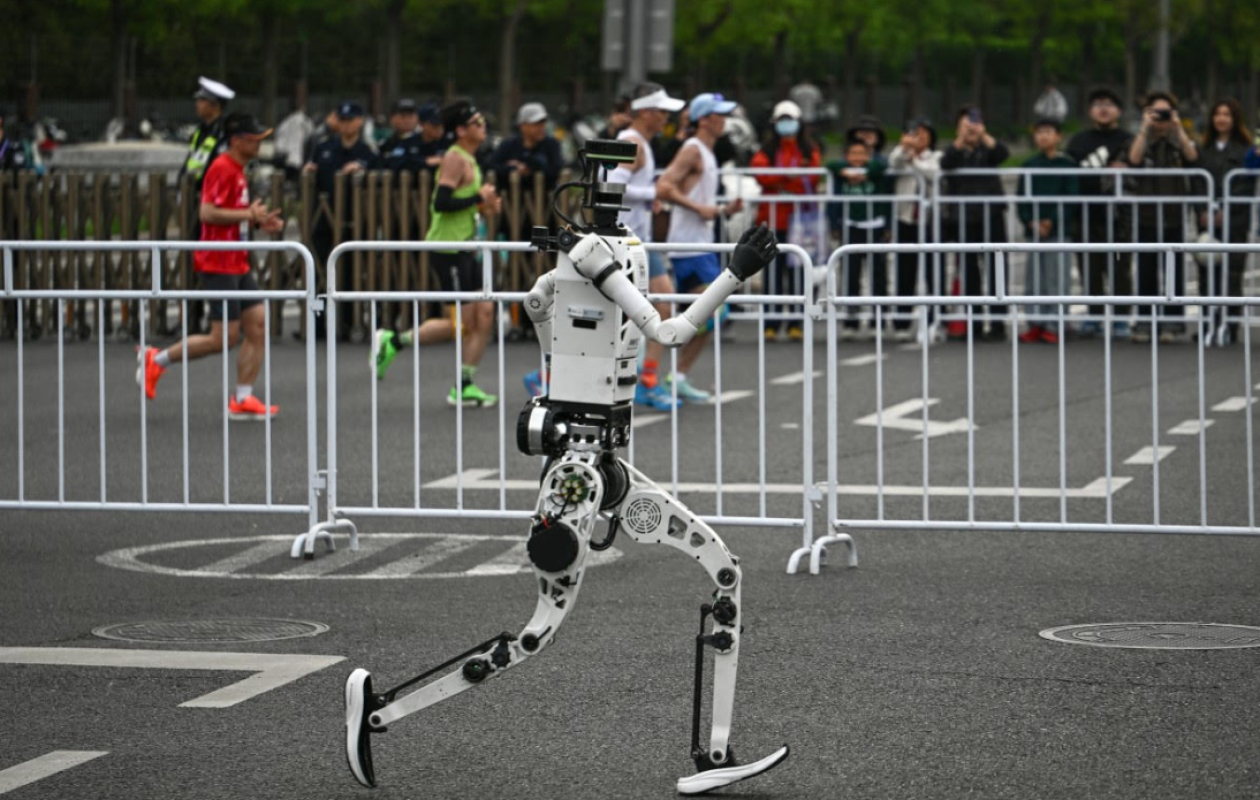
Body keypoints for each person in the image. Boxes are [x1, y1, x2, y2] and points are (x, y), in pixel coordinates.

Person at [135, 113, 285, 419]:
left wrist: (256, 221)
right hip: (218, 261)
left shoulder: (239, 170)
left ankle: (243, 398)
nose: (260, 143)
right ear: (237, 140)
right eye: (254, 138)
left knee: (256, 325)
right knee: (223, 338)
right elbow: (206, 213)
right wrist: (247, 216)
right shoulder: (222, 167)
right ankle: (157, 359)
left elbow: (231, 214)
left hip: (237, 260)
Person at [556, 82, 685, 410]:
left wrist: (650, 196)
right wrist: (654, 194)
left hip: (634, 239)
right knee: (658, 307)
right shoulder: (633, 143)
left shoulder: (639, 142)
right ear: (645, 112)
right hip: (628, 239)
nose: (665, 117)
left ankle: (551, 372)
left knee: (617, 311)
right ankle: (647, 381)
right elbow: (614, 189)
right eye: (661, 111)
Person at [372, 101, 502, 407]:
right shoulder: (455, 159)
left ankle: (465, 385)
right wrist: (477, 198)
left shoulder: (471, 158)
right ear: (460, 130)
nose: (483, 126)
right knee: (462, 323)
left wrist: (486, 206)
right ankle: (393, 340)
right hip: (447, 248)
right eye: (476, 121)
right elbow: (442, 202)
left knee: (484, 314)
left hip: (467, 246)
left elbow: (467, 204)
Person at [655, 93, 744, 403]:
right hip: (688, 246)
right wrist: (697, 208)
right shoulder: (692, 149)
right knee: (713, 311)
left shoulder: (708, 151)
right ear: (704, 119)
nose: (724, 120)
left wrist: (722, 210)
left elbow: (699, 201)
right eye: (719, 114)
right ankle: (657, 370)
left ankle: (673, 375)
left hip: (699, 244)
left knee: (707, 313)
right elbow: (664, 186)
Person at [1126, 91, 1198, 343]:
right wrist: (1145, 128)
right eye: (1156, 113)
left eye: (1165, 113)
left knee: (1175, 271)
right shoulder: (1142, 139)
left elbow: (1193, 158)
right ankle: (1145, 321)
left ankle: (1173, 322)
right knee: (1146, 270)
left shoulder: (1178, 141)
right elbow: (1132, 160)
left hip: (1174, 215)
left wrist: (1178, 128)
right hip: (1146, 215)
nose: (1161, 119)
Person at [304, 100, 377, 339]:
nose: (346, 125)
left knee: (351, 274)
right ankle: (318, 326)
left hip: (354, 221)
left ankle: (348, 324)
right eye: (342, 120)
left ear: (360, 122)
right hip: (323, 220)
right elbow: (309, 172)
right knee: (319, 271)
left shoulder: (367, 152)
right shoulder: (324, 147)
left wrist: (361, 169)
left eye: (351, 120)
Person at [750, 100, 821, 341]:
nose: (786, 125)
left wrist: (780, 178)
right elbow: (760, 174)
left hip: (800, 221)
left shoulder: (808, 149)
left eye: (789, 120)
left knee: (799, 273)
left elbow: (811, 175)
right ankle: (771, 322)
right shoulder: (767, 150)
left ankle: (797, 323)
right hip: (772, 219)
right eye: (781, 120)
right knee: (772, 274)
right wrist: (787, 176)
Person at [1066, 87, 1134, 338]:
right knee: (1090, 269)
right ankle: (1093, 316)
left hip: (1118, 217)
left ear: (1118, 110)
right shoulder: (1078, 141)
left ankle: (1120, 319)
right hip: (1085, 215)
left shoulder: (1127, 139)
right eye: (1097, 104)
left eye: (1109, 103)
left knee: (1119, 269)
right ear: (1090, 111)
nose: (1103, 108)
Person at [941, 104, 1010, 341]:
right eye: (965, 124)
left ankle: (999, 323)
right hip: (964, 218)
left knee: (997, 270)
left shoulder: (988, 150)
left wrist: (983, 135)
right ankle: (975, 324)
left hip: (992, 215)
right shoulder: (955, 151)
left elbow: (1003, 154)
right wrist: (961, 140)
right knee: (970, 272)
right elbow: (945, 163)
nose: (971, 128)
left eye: (974, 123)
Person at [1197, 98, 1255, 344]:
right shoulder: (1203, 150)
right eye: (1218, 114)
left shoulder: (1246, 151)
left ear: (1235, 119)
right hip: (1205, 220)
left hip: (1236, 220)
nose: (1222, 119)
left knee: (1232, 274)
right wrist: (1203, 208)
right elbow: (1196, 181)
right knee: (1206, 272)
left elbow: (1245, 184)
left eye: (1227, 114)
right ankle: (1208, 323)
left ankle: (1230, 326)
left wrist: (1226, 210)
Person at [1016, 119, 1078, 344]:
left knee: (1057, 279)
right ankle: (1035, 322)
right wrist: (1030, 221)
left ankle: (1056, 322)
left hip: (1058, 231)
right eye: (1039, 132)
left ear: (1058, 136)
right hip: (1034, 233)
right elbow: (1021, 198)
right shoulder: (1030, 164)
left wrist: (1051, 221)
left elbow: (1071, 198)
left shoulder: (1067, 165)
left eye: (1048, 132)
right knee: (1033, 280)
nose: (1043, 136)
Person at [827, 139, 890, 335]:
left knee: (878, 275)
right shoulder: (842, 173)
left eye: (861, 154)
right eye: (852, 154)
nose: (857, 158)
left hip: (875, 227)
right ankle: (851, 321)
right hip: (851, 227)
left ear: (868, 155)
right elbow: (829, 165)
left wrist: (866, 174)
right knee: (851, 275)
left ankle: (877, 320)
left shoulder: (875, 171)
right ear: (846, 156)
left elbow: (883, 166)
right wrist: (844, 171)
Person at [887, 117, 942, 338]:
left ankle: (933, 321)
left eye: (922, 133)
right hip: (905, 219)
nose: (918, 137)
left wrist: (914, 161)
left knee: (933, 272)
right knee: (904, 271)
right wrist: (904, 148)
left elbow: (933, 173)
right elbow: (894, 163)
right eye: (913, 133)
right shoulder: (901, 154)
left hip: (930, 221)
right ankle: (901, 322)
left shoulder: (936, 156)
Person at [181, 77, 233, 191]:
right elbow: (192, 159)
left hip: (210, 193)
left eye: (202, 100)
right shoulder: (201, 130)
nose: (197, 104)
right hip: (193, 191)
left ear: (216, 106)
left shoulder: (223, 132)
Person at [377, 98, 425, 177]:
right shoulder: (385, 145)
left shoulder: (424, 141)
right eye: (403, 116)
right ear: (392, 119)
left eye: (411, 116)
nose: (407, 120)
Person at [274, 101, 314, 184]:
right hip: (299, 157)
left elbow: (279, 137)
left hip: (287, 157)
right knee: (298, 181)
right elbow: (311, 134)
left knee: (287, 181)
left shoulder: (285, 122)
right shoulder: (305, 121)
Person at [415, 102, 449, 175]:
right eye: (434, 125)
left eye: (442, 124)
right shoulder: (411, 142)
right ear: (421, 124)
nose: (439, 128)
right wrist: (424, 161)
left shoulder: (448, 142)